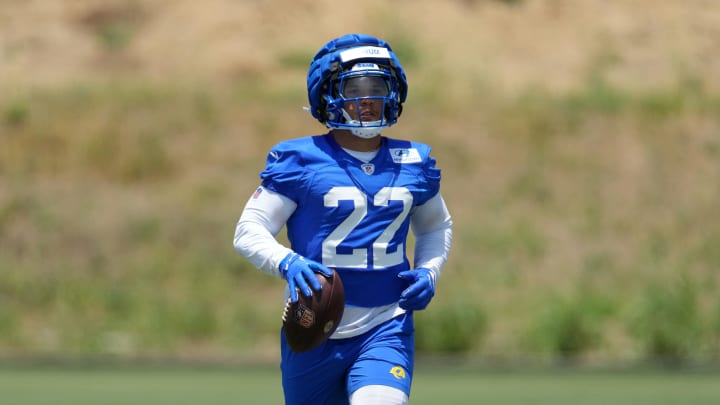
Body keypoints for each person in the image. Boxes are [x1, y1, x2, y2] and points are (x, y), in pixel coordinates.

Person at [233, 33, 453, 405]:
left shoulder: (414, 161)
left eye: (378, 87)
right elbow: (248, 230)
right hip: (313, 325)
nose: (368, 100)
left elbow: (435, 225)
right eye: (355, 88)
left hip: (387, 321)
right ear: (328, 94)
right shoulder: (300, 160)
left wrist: (430, 270)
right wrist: (287, 262)